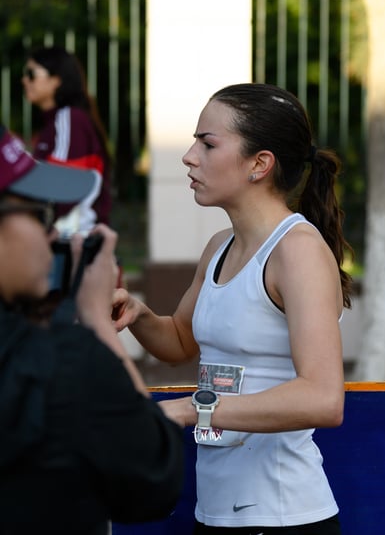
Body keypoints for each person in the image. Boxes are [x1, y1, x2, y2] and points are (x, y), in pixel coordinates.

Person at [112, 83, 354, 534]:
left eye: (207, 143)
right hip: (218, 515)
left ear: (259, 164)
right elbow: (181, 340)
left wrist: (190, 409)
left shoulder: (297, 251)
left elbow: (323, 399)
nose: (189, 156)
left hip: (283, 518)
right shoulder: (220, 246)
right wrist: (139, 315)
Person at [0, 125, 184, 535]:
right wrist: (97, 322)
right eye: (39, 214)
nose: (52, 234)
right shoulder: (63, 360)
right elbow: (153, 478)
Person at [22, 45, 112, 233]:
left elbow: (63, 183)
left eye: (31, 74)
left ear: (56, 80)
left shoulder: (69, 118)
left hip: (73, 241)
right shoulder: (56, 122)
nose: (24, 80)